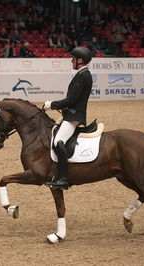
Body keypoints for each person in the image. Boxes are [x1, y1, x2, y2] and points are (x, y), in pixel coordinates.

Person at [43, 46, 93, 190]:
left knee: (59, 141)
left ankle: (64, 178)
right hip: (71, 113)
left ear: (80, 60)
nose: (71, 61)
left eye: (73, 58)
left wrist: (51, 104)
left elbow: (71, 100)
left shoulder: (83, 75)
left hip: (74, 116)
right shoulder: (82, 74)